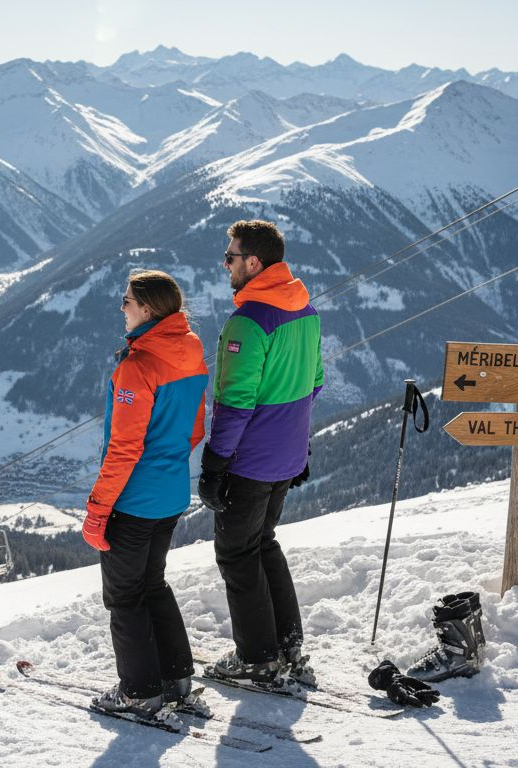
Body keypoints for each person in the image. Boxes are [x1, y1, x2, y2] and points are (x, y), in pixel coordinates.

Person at [198, 219, 324, 686]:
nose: (225, 265)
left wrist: (215, 463)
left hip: (249, 461)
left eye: (229, 257)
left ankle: (257, 657)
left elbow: (235, 403)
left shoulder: (248, 321)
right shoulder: (305, 310)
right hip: (285, 457)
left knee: (236, 554)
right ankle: (286, 643)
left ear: (253, 262)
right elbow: (313, 384)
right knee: (262, 542)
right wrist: (299, 443)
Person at [81, 269, 209, 718]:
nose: (121, 307)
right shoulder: (191, 351)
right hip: (172, 493)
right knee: (152, 584)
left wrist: (98, 508)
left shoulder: (138, 365)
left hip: (134, 499)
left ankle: (138, 692)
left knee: (124, 596)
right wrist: (167, 465)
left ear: (148, 309)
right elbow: (195, 429)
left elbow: (124, 447)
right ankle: (175, 679)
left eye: (127, 300)